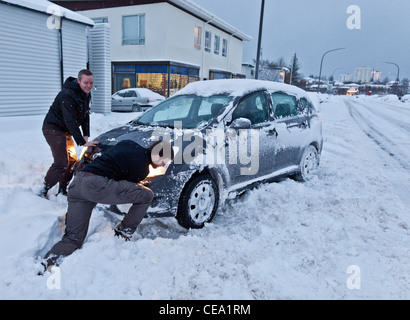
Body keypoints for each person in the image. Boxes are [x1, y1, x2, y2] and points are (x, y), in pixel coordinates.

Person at [41, 139, 174, 272]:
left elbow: (108, 151)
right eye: (164, 161)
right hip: (96, 186)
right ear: (157, 155)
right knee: (146, 196)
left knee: (72, 239)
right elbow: (126, 189)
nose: (163, 165)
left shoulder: (128, 143)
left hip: (78, 184)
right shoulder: (142, 168)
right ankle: (123, 232)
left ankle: (45, 265)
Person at [40, 69, 98, 198]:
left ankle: (63, 189)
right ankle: (44, 189)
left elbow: (85, 114)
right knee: (61, 162)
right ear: (78, 81)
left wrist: (86, 134)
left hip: (65, 130)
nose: (89, 86)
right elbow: (69, 119)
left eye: (91, 82)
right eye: (85, 82)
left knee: (72, 161)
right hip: (53, 129)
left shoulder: (86, 94)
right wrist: (81, 142)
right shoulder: (67, 94)